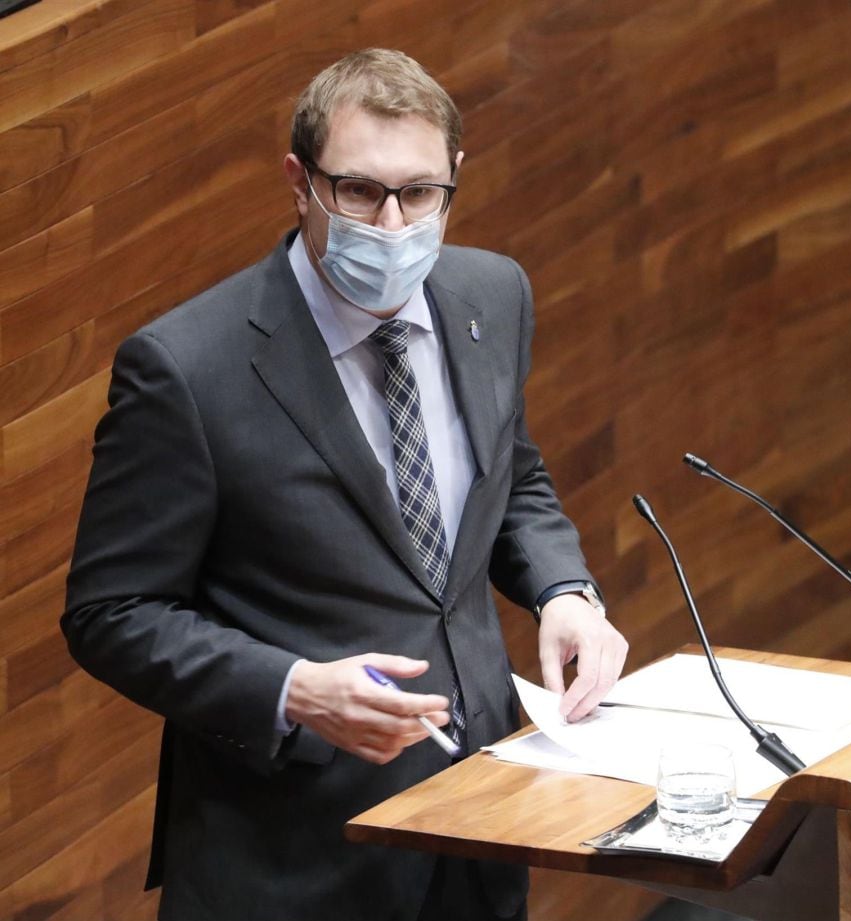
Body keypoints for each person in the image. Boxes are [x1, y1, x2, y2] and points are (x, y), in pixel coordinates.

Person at [62, 49, 628, 921]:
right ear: (300, 181)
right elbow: (111, 612)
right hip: (291, 863)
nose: (394, 224)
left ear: (455, 179)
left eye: (420, 192)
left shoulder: (493, 295)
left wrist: (565, 590)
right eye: (360, 192)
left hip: (477, 825)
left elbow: (507, 474)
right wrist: (292, 689)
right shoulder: (187, 369)